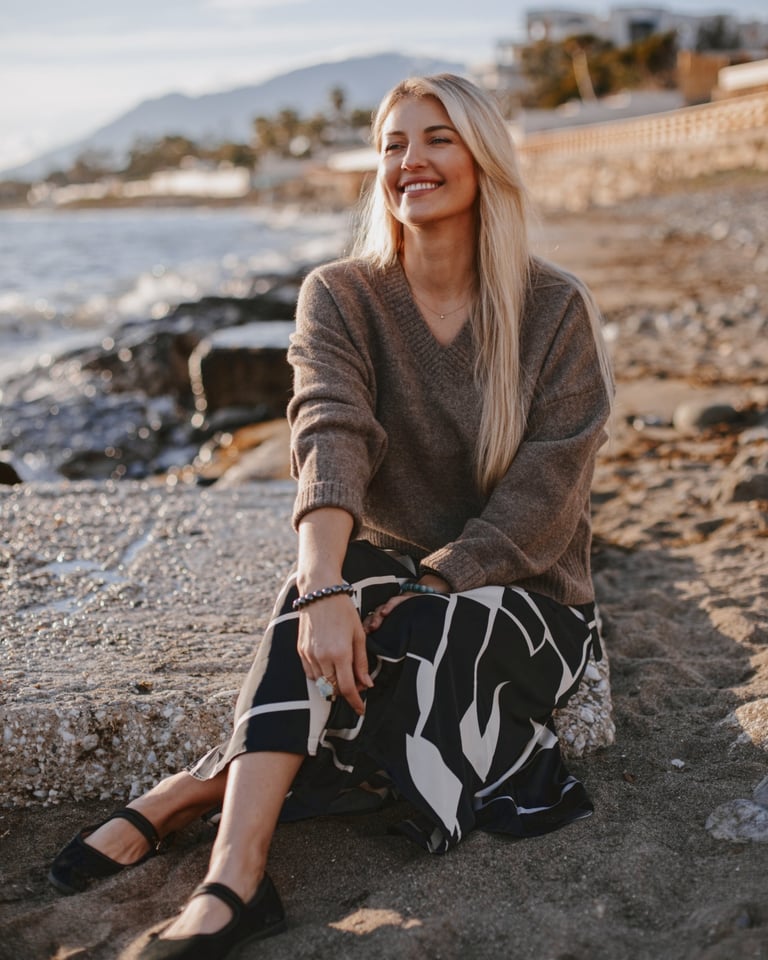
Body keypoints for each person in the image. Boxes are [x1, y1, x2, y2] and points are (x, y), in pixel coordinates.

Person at [48, 73, 613, 959]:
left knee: (415, 642)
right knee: (315, 616)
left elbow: (549, 488)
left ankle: (193, 791)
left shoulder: (554, 309)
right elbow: (330, 434)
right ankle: (235, 877)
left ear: (484, 162)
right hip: (388, 558)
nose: (410, 160)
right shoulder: (341, 294)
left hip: (526, 586)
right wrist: (321, 586)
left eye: (437, 139)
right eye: (393, 143)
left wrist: (436, 577)